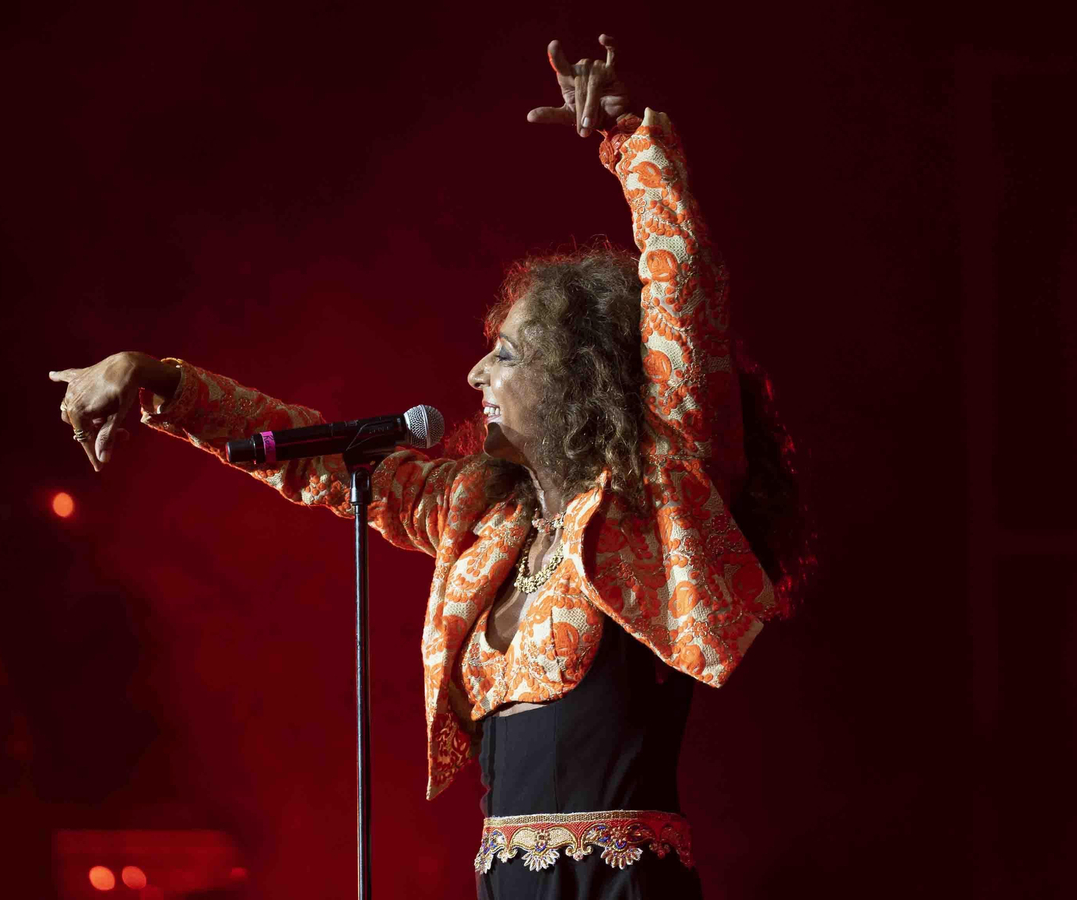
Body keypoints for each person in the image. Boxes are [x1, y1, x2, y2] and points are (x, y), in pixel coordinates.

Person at [48, 34, 812, 899]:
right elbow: (319, 458)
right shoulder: (483, 520)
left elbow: (684, 300)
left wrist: (634, 139)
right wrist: (160, 382)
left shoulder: (659, 495)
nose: (476, 374)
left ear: (585, 375)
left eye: (509, 354)